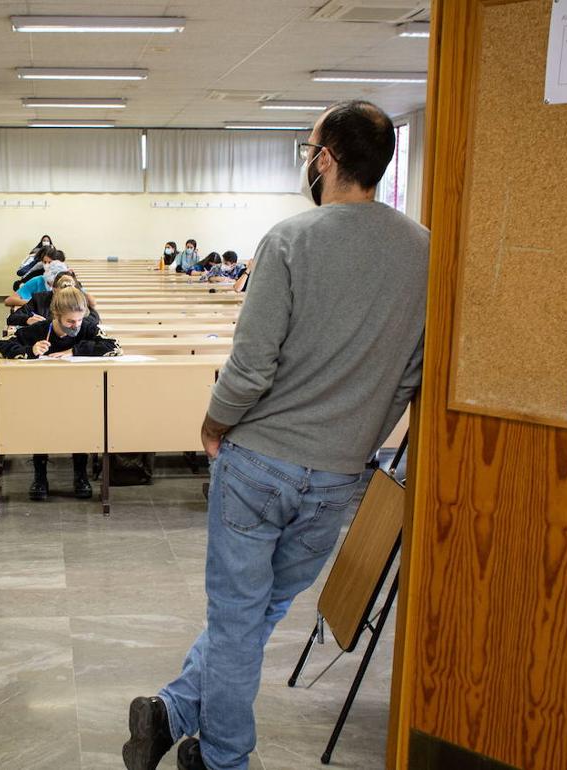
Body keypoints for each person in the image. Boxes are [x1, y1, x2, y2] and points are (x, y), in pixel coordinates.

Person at [122, 100, 429, 770]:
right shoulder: (424, 250)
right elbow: (412, 372)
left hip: (259, 463)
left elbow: (252, 362)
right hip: (340, 473)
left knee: (238, 618)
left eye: (308, 149)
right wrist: (355, 437)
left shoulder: (292, 240)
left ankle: (222, 755)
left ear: (326, 159)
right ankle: (173, 710)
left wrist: (213, 420)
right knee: (259, 614)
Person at [0, 287, 119, 501]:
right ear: (56, 316)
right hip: (42, 395)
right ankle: (40, 476)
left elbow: (113, 346)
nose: (76, 326)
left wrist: (75, 351)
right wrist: (30, 351)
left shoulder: (86, 328)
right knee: (42, 426)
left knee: (80, 426)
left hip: (79, 394)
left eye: (79, 320)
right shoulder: (38, 330)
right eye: (70, 322)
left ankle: (80, 475)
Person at [6, 272, 99, 327]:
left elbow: (94, 319)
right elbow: (12, 318)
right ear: (54, 289)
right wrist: (27, 320)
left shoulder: (78, 299)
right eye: (62, 293)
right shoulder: (39, 299)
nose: (66, 298)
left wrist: (72, 322)